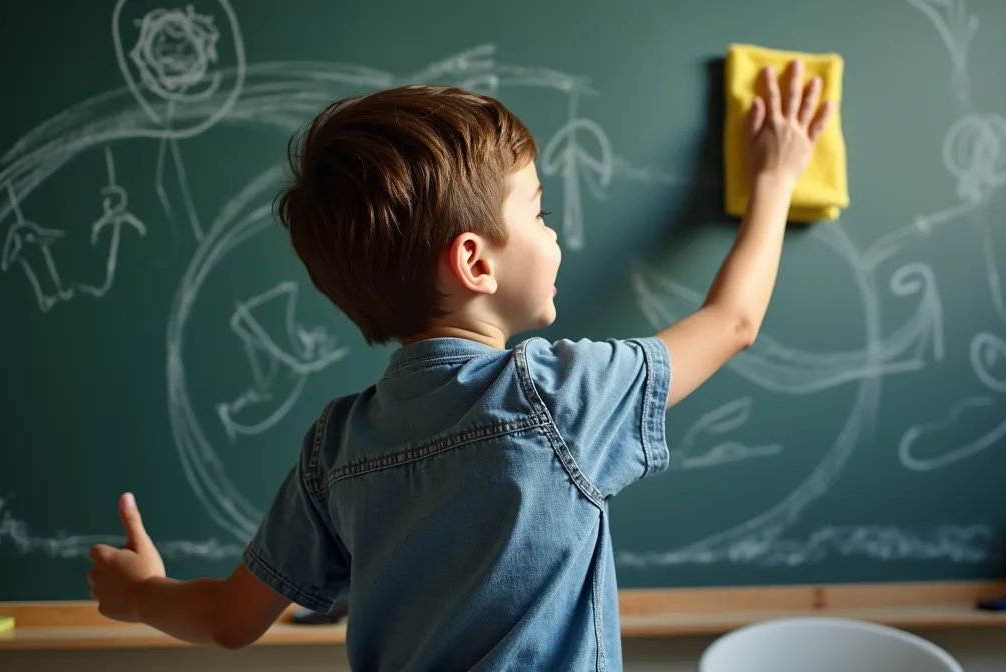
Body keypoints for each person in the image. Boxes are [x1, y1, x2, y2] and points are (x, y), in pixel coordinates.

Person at [87, 59, 832, 670]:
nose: (555, 234)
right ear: (474, 262)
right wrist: (773, 181)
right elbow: (731, 322)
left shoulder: (335, 448)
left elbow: (228, 619)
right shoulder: (557, 398)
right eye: (538, 213)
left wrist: (142, 594)